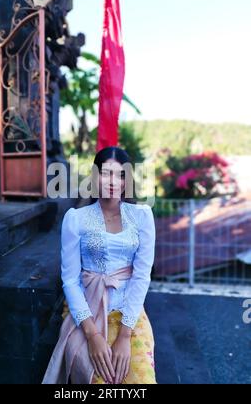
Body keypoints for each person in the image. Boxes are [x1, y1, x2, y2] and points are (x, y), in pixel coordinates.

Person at [42, 146, 157, 384]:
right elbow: (71, 280)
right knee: (98, 378)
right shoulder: (76, 218)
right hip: (87, 312)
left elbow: (141, 276)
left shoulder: (142, 216)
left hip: (129, 313)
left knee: (141, 379)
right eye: (106, 173)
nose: (113, 182)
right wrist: (92, 335)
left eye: (120, 175)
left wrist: (125, 335)